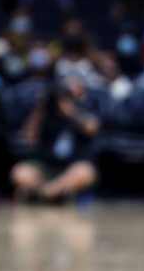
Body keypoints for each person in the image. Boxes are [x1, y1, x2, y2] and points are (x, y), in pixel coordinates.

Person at [9, 73, 102, 204]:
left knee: (85, 172)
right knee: (19, 172)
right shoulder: (45, 114)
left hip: (71, 167)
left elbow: (92, 129)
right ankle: (57, 192)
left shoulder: (82, 110)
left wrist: (72, 112)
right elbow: (29, 137)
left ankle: (48, 192)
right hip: (46, 167)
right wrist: (39, 108)